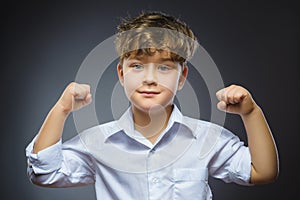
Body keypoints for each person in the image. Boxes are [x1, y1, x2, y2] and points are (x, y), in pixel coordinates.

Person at [25, 11, 279, 199]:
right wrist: (61, 110)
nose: (149, 78)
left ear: (182, 78)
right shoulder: (98, 143)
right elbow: (44, 173)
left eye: (164, 67)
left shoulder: (205, 137)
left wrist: (251, 113)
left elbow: (262, 172)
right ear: (121, 74)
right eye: (137, 65)